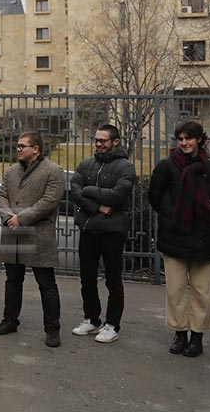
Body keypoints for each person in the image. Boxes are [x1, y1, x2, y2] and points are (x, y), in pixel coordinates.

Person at [148, 121, 210, 358]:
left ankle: (197, 336)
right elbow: (154, 197)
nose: (184, 143)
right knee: (176, 290)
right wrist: (173, 217)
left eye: (188, 138)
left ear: (200, 139)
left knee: (203, 290)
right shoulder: (166, 166)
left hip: (202, 237)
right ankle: (179, 334)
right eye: (180, 138)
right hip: (175, 237)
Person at [0, 131, 65, 348]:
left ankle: (52, 329)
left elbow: (49, 201)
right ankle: (10, 320)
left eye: (23, 146)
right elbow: (1, 195)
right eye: (17, 145)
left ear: (36, 149)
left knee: (46, 284)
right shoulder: (12, 171)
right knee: (13, 281)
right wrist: (8, 217)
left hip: (38, 234)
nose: (18, 149)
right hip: (13, 234)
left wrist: (21, 218)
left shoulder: (53, 171)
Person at [69, 124, 136, 344]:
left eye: (103, 141)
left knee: (113, 279)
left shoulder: (126, 166)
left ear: (115, 142)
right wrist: (97, 207)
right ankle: (92, 319)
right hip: (89, 227)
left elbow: (118, 195)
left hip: (112, 231)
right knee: (87, 277)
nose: (98, 144)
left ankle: (112, 324)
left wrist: (88, 191)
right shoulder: (86, 164)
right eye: (96, 140)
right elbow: (75, 190)